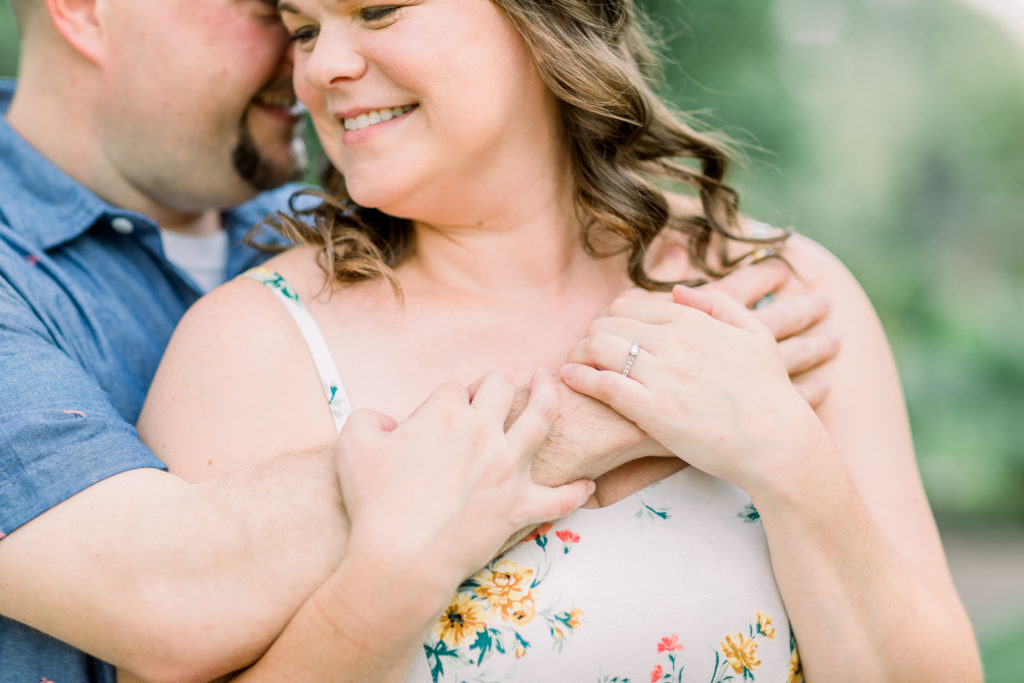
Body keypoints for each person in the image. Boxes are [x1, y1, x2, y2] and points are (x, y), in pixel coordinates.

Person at [137, 0, 983, 681]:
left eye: (381, 11)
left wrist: (790, 460)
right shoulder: (253, 347)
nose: (321, 68)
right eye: (305, 30)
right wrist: (388, 588)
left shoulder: (781, 291)